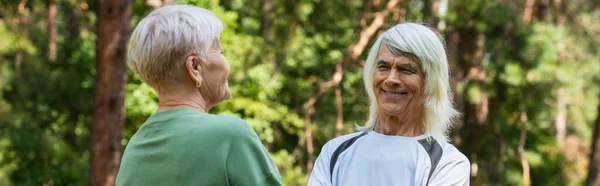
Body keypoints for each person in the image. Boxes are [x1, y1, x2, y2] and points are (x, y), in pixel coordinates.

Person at [115, 5, 282, 186]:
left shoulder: (135, 148)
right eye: (220, 51)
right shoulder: (230, 136)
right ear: (195, 67)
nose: (226, 63)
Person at [307, 23, 470, 186]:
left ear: (430, 81)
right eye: (383, 67)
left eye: (406, 69)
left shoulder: (447, 164)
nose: (391, 79)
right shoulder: (335, 152)